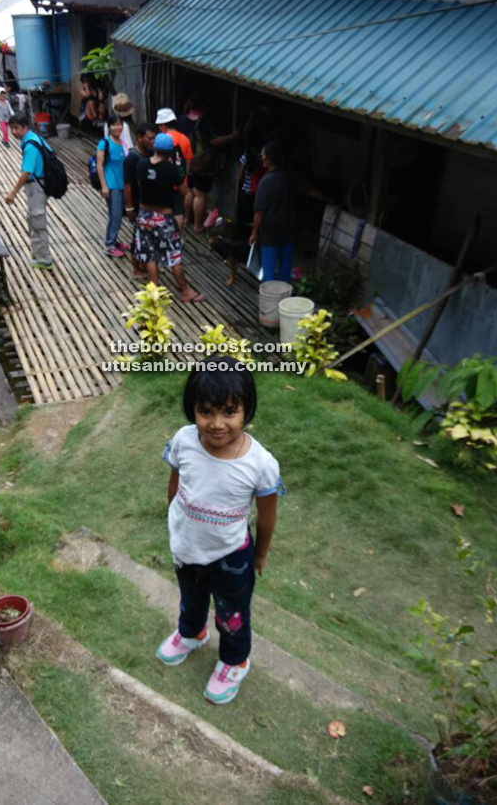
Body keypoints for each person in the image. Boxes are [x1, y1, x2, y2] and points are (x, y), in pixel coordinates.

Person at [157, 357, 283, 705]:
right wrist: (175, 522)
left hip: (230, 558)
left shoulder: (260, 464)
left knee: (232, 616)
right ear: (192, 410)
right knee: (191, 600)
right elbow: (175, 483)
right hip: (186, 548)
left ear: (246, 411)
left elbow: (266, 515)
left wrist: (260, 553)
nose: (216, 424)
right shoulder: (184, 441)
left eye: (229, 412)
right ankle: (192, 633)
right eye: (205, 411)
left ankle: (234, 660)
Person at [134, 132, 204, 302]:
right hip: (163, 218)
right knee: (174, 256)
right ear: (170, 151)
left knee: (150, 256)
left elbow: (139, 184)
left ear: (155, 148)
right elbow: (184, 191)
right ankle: (185, 291)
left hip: (144, 216)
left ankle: (154, 293)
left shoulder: (141, 164)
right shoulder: (171, 169)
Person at [177, 96, 239, 232]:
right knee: (200, 194)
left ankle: (187, 219)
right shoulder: (204, 122)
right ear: (202, 108)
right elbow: (213, 141)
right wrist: (232, 137)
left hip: (186, 160)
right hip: (202, 163)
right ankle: (198, 225)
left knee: (189, 191)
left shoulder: (181, 120)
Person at [5, 113, 54, 271]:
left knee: (37, 219)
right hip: (41, 183)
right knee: (33, 218)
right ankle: (38, 252)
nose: (14, 132)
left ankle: (44, 259)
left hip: (36, 186)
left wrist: (13, 192)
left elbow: (26, 172)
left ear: (25, 127)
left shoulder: (31, 146)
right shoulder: (33, 138)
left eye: (17, 128)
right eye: (12, 128)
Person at [250, 141, 297, 283]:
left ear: (269, 159)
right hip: (289, 228)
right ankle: (284, 300)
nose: (261, 157)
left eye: (263, 155)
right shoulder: (291, 178)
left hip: (270, 232)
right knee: (285, 269)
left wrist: (254, 233)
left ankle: (269, 300)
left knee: (269, 271)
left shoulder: (266, 182)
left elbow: (259, 212)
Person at [123, 122, 155, 278]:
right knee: (137, 237)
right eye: (150, 138)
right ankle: (136, 268)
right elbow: (127, 185)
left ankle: (144, 264)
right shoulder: (132, 158)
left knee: (147, 236)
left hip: (148, 202)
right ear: (139, 137)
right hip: (137, 203)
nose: (152, 141)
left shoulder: (149, 154)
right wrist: (129, 208)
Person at [97, 114, 129, 258]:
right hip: (111, 184)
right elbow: (99, 165)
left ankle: (114, 241)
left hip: (122, 183)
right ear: (108, 127)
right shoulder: (104, 143)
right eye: (114, 124)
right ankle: (109, 244)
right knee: (115, 214)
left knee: (116, 214)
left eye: (119, 124)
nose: (118, 127)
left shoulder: (122, 142)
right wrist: (104, 185)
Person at [155, 108, 193, 229]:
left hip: (163, 181)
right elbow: (188, 161)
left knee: (163, 208)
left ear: (162, 125)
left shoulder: (160, 139)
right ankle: (177, 237)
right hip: (180, 182)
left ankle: (163, 233)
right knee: (178, 210)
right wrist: (183, 178)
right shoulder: (185, 139)